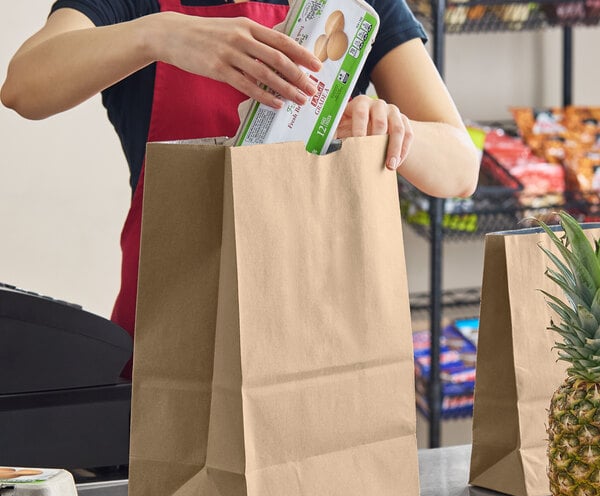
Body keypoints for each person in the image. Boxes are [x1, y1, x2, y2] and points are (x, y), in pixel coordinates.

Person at [1, 0, 479, 377]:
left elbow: (460, 166)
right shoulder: (140, 4)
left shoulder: (352, 8)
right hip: (176, 334)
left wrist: (388, 127)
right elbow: (24, 86)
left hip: (319, 335)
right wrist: (158, 34)